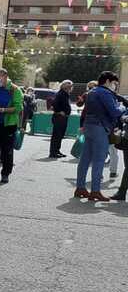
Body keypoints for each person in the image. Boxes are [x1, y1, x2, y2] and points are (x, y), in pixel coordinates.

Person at [75, 71, 126, 202]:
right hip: (100, 128)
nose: (115, 86)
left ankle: (80, 188)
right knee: (99, 160)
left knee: (85, 159)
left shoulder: (92, 91)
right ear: (108, 81)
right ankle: (95, 191)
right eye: (114, 83)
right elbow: (114, 112)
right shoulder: (105, 93)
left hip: (89, 126)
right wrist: (121, 107)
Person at [49, 80, 73, 158]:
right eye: (68, 85)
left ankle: (57, 151)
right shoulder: (60, 94)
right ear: (63, 85)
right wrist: (59, 111)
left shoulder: (66, 94)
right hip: (59, 117)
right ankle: (53, 152)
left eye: (70, 86)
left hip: (63, 117)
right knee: (56, 135)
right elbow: (54, 104)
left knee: (60, 135)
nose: (69, 87)